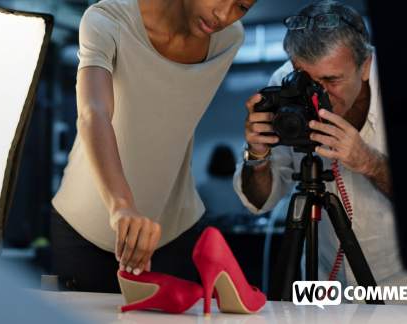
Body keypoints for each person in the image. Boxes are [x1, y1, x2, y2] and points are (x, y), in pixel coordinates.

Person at [233, 0, 407, 305]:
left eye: (332, 80)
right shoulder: (283, 84)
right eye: (305, 78)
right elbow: (260, 201)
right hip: (326, 289)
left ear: (366, 66)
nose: (317, 95)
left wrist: (370, 162)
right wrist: (257, 155)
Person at [50, 0, 255, 293]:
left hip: (175, 231)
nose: (224, 15)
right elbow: (93, 113)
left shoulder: (229, 39)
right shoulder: (107, 19)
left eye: (242, 7)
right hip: (86, 229)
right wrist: (121, 206)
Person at [197, 144, 246, 218]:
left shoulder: (203, 188)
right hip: (238, 227)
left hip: (213, 227)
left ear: (213, 162)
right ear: (232, 161)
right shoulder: (243, 187)